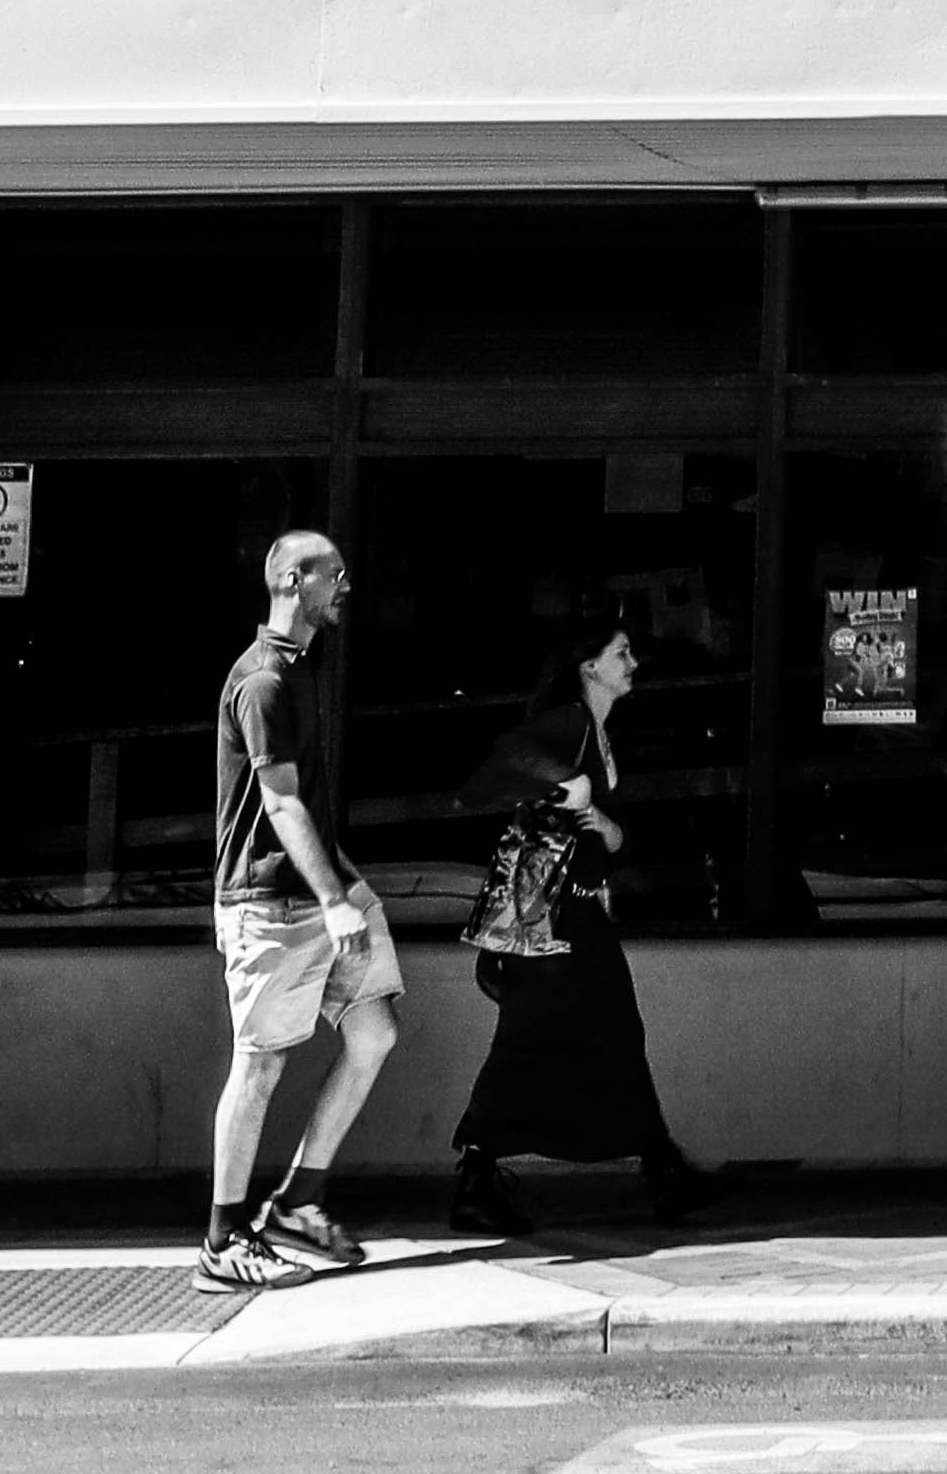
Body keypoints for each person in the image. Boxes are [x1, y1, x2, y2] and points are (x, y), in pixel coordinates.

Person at [449, 613, 708, 1227]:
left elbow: (599, 830)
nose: (633, 664)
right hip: (553, 919)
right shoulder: (569, 724)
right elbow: (503, 757)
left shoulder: (601, 733)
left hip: (578, 914)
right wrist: (571, 783)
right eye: (622, 653)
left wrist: (613, 832)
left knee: (610, 1035)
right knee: (531, 1041)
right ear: (590, 666)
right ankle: (477, 1181)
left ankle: (660, 1169)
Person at [199, 528, 400, 1291]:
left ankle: (299, 1201)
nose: (345, 584)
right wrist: (331, 899)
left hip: (325, 893)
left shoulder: (299, 668)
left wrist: (344, 890)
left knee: (375, 1030)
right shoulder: (262, 683)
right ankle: (222, 1243)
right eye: (332, 574)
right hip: (272, 905)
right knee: (260, 1064)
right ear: (290, 580)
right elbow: (280, 803)